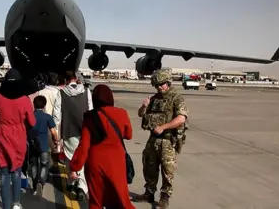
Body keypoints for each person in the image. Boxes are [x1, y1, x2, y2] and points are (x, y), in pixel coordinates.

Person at [68, 84, 135, 209]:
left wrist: (75, 166)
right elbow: (128, 135)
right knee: (121, 198)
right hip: (116, 161)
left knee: (96, 201)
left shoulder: (89, 117)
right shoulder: (122, 113)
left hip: (96, 162)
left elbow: (84, 145)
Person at [133, 68, 189, 208]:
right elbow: (141, 115)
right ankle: (149, 193)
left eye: (162, 84)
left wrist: (163, 127)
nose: (159, 87)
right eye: (157, 85)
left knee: (167, 170)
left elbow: (181, 118)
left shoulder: (176, 98)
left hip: (168, 140)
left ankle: (165, 197)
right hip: (153, 139)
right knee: (149, 167)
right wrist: (143, 106)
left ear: (168, 82)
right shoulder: (154, 98)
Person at [0, 68, 36, 209]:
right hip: (18, 136)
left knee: (4, 174)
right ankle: (16, 203)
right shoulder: (25, 99)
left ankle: (6, 206)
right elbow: (32, 122)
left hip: (2, 135)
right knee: (17, 172)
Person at [52, 70, 93, 200]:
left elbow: (56, 114)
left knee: (70, 157)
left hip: (68, 131)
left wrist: (56, 133)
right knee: (83, 157)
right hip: (84, 129)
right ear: (76, 78)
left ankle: (72, 181)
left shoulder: (61, 93)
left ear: (66, 80)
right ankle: (82, 186)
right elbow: (91, 110)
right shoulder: (86, 92)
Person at [27, 95, 60, 196]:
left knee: (33, 165)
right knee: (44, 165)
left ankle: (34, 184)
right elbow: (53, 132)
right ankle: (41, 182)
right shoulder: (47, 117)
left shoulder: (29, 116)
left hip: (32, 145)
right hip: (44, 145)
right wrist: (56, 141)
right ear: (44, 105)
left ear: (34, 105)